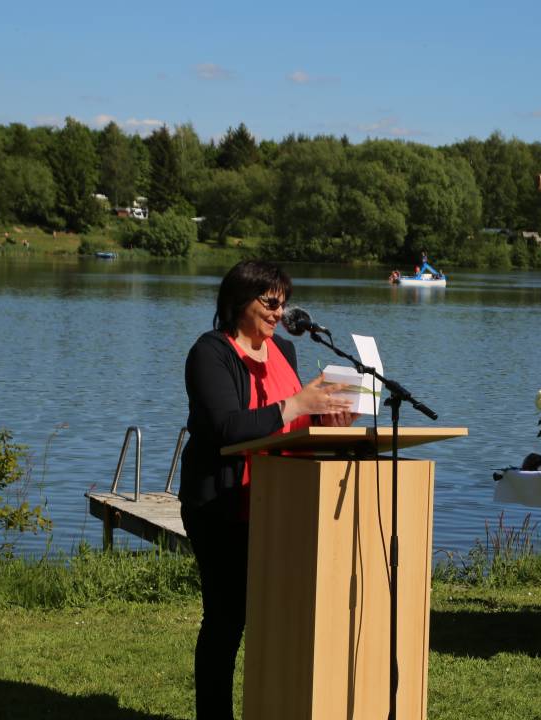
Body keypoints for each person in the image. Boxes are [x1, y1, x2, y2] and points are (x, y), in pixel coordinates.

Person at [179, 259, 354, 720]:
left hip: (279, 502)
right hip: (221, 504)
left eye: (284, 303)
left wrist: (326, 416)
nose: (280, 313)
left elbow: (288, 421)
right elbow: (228, 428)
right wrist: (298, 401)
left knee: (277, 614)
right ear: (240, 301)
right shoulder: (210, 353)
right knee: (226, 618)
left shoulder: (285, 354)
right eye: (270, 302)